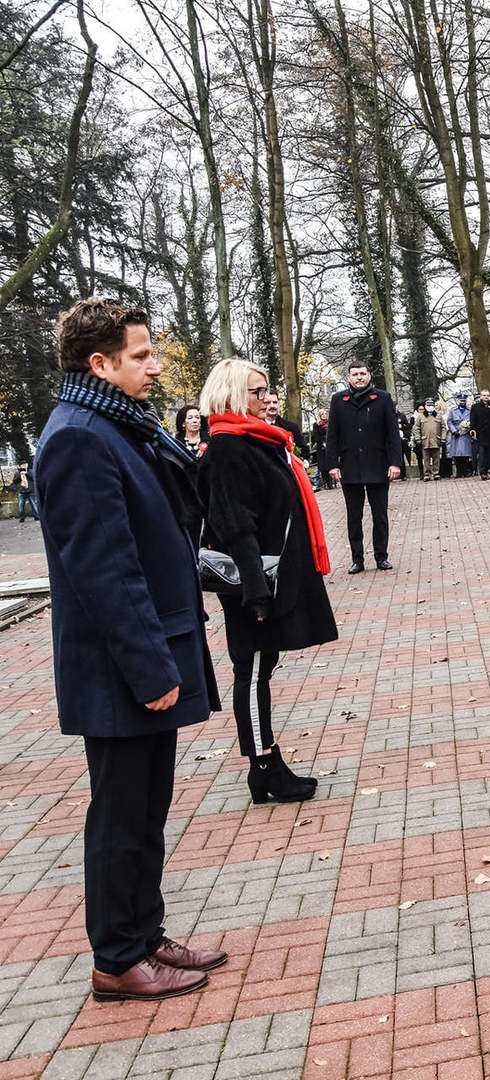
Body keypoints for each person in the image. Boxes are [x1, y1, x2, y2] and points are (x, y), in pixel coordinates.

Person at [34, 298, 225, 1002]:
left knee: (146, 809)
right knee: (121, 815)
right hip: (122, 668)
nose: (154, 366)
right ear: (100, 362)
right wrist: (150, 668)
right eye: (141, 355)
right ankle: (117, 957)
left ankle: (144, 933)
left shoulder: (116, 427)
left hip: (146, 653)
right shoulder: (81, 436)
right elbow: (103, 572)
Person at [199, 359, 338, 804]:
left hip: (270, 576)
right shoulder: (227, 447)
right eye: (258, 391)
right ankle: (263, 766)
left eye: (266, 390)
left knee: (262, 666)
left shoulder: (257, 441)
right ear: (235, 394)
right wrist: (255, 589)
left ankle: (267, 762)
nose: (267, 399)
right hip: (254, 582)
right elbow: (234, 522)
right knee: (253, 668)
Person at [326, 360, 403, 573]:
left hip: (378, 466)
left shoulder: (383, 398)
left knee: (380, 515)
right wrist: (332, 465)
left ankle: (381, 557)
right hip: (350, 467)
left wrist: (395, 463)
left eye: (362, 373)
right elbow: (332, 435)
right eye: (355, 374)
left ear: (369, 375)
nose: (359, 377)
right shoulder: (339, 400)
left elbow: (392, 435)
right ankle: (357, 559)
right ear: (348, 377)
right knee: (354, 516)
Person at [263, 392, 308, 459]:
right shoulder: (255, 428)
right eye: (268, 403)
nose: (272, 405)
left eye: (275, 402)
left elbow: (304, 452)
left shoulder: (291, 427)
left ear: (278, 404)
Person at [446, 393, 474, 477]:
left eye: (464, 401)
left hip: (465, 434)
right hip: (456, 434)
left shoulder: (469, 410)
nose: (463, 402)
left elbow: (472, 420)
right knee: (457, 454)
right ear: (458, 401)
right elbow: (449, 421)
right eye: (461, 400)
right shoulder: (453, 410)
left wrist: (468, 428)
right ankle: (459, 472)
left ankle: (466, 471)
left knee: (466, 454)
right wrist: (454, 431)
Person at [416, 402, 445, 480]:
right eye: (428, 405)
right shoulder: (421, 417)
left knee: (436, 458)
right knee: (426, 459)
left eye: (432, 405)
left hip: (436, 440)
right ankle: (426, 474)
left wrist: (443, 438)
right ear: (425, 406)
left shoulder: (439, 416)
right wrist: (418, 438)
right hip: (425, 440)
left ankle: (436, 473)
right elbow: (416, 428)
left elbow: (443, 428)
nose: (430, 407)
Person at [310, 409, 331, 486]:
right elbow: (316, 436)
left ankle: (330, 482)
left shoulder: (330, 423)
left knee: (330, 464)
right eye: (322, 414)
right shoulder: (316, 425)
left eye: (325, 414)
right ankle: (325, 482)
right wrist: (322, 443)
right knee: (323, 466)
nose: (324, 415)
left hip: (330, 445)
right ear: (320, 415)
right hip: (321, 446)